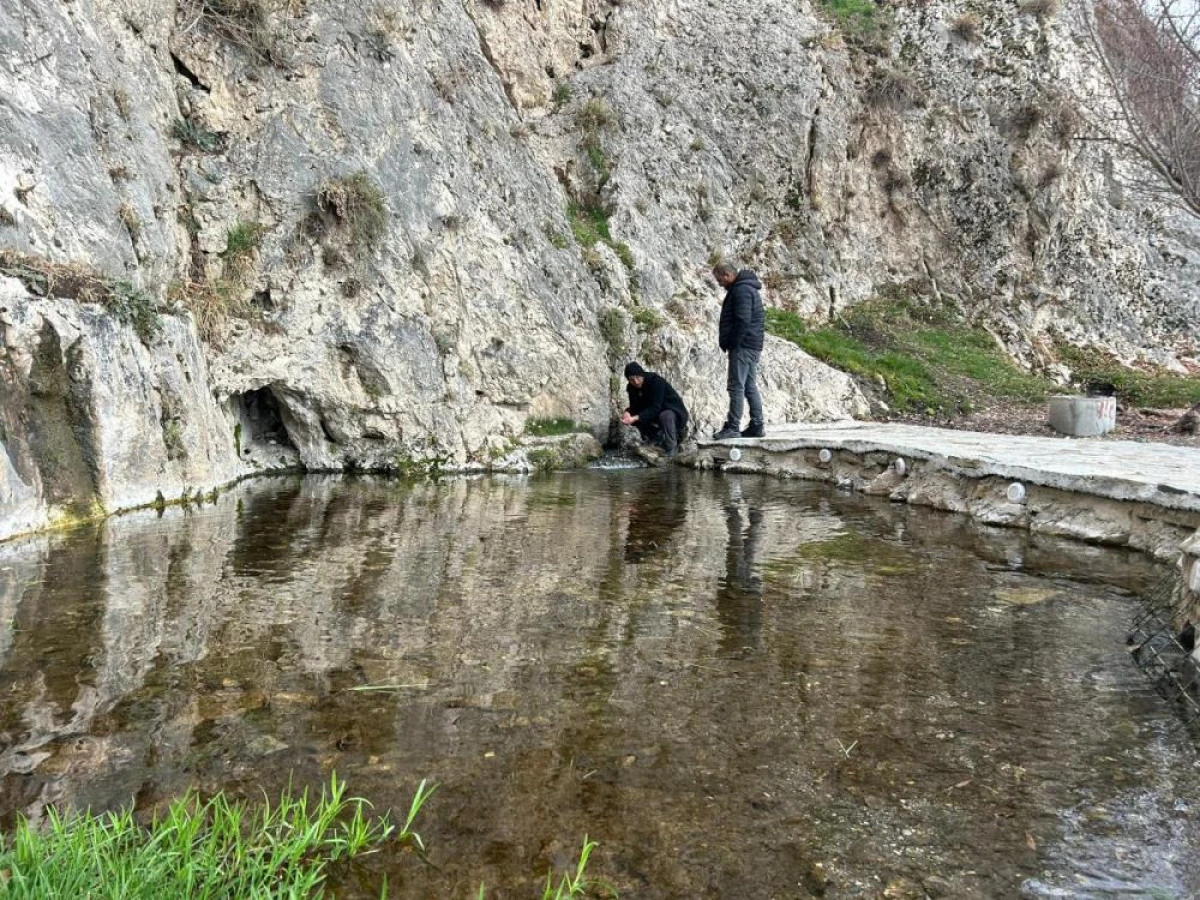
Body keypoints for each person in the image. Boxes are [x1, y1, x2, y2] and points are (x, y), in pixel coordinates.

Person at [712, 262, 765, 440]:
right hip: (752, 345)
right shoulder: (748, 288)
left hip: (743, 346)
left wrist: (733, 343)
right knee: (749, 386)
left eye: (719, 280)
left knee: (736, 386)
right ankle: (757, 425)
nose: (719, 284)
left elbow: (742, 320)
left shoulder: (741, 290)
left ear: (727, 275)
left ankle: (733, 427)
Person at [620, 362, 689, 457]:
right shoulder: (631, 388)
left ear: (642, 374)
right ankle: (655, 437)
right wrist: (627, 413)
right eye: (631, 379)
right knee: (634, 417)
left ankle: (671, 447)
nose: (636, 382)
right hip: (655, 413)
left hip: (673, 413)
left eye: (637, 377)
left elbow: (656, 407)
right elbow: (634, 407)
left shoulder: (656, 382)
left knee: (665, 415)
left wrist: (635, 417)